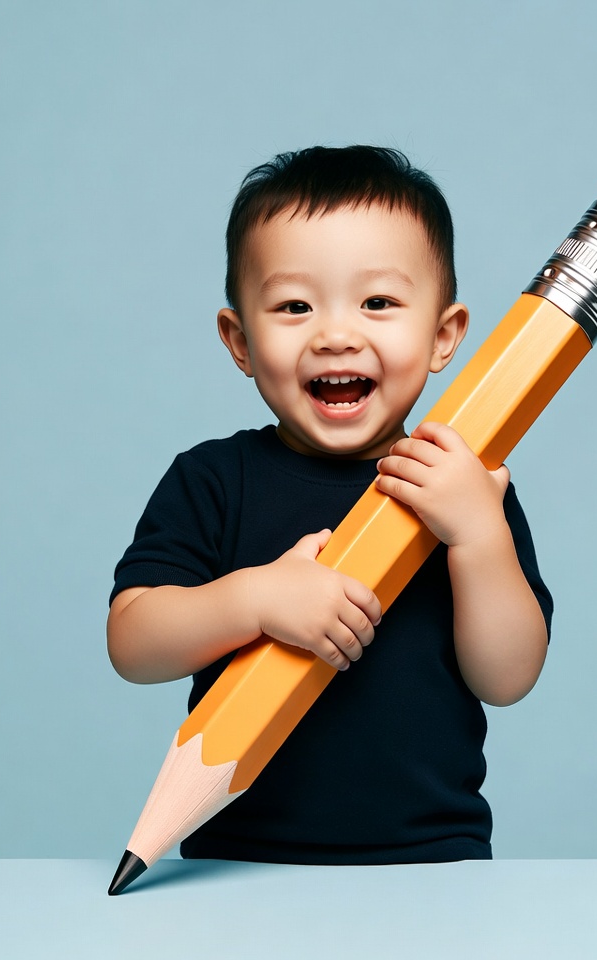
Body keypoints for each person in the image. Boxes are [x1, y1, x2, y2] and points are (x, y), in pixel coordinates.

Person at [107, 145, 553, 864]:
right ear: (239, 340)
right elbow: (132, 644)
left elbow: (507, 678)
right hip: (236, 861)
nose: (336, 334)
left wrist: (477, 534)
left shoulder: (461, 483)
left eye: (378, 302)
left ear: (443, 337)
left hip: (432, 861)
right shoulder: (214, 479)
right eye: (293, 306)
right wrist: (251, 601)